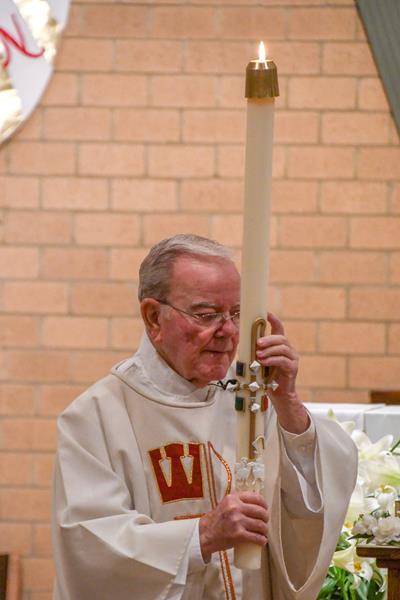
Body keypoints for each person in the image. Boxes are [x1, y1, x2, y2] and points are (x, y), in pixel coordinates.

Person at [52, 234, 357, 600]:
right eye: (207, 314)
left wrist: (288, 403)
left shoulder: (250, 400)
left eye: (236, 314)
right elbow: (91, 546)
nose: (228, 331)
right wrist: (203, 535)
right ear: (153, 317)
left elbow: (311, 505)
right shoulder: (95, 416)